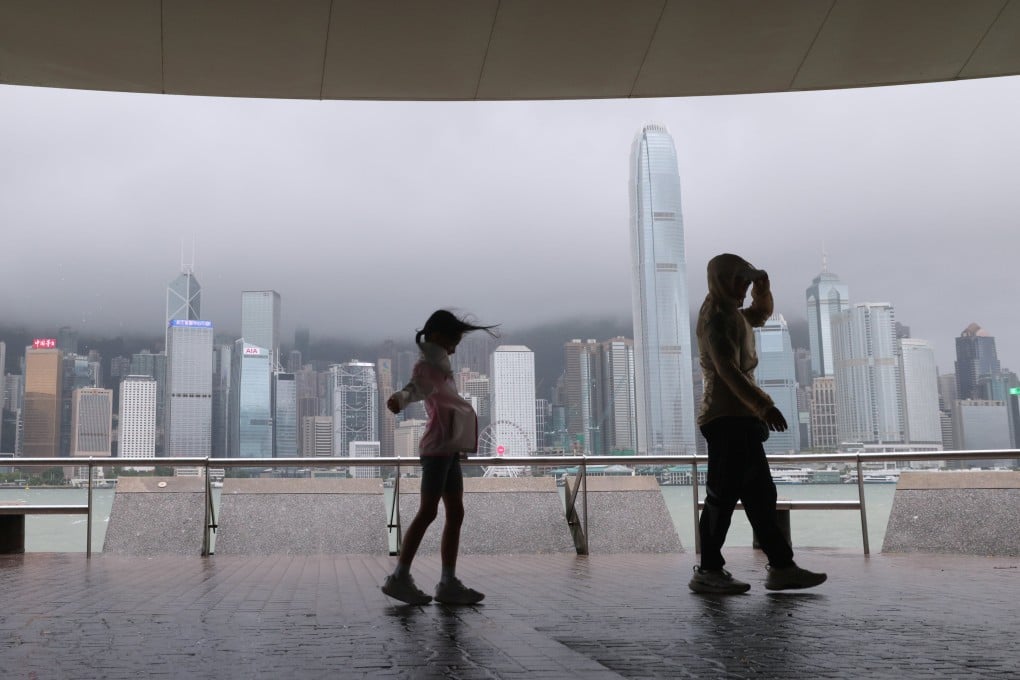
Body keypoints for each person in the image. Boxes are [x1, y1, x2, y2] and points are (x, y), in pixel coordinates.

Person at [689, 253, 827, 594]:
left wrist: (763, 290)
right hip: (725, 418)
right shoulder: (715, 318)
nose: (744, 288)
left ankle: (782, 566)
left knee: (760, 496)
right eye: (740, 281)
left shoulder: (730, 314)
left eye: (747, 283)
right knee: (722, 497)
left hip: (740, 417)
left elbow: (759, 315)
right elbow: (727, 370)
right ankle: (708, 569)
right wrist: (764, 406)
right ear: (721, 281)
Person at [381, 309, 498, 605]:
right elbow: (414, 389)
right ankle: (400, 577)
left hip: (448, 451)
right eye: (452, 341)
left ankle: (447, 581)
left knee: (455, 512)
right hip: (436, 450)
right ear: (436, 336)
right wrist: (399, 399)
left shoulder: (442, 369)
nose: (455, 348)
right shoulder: (427, 368)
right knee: (428, 511)